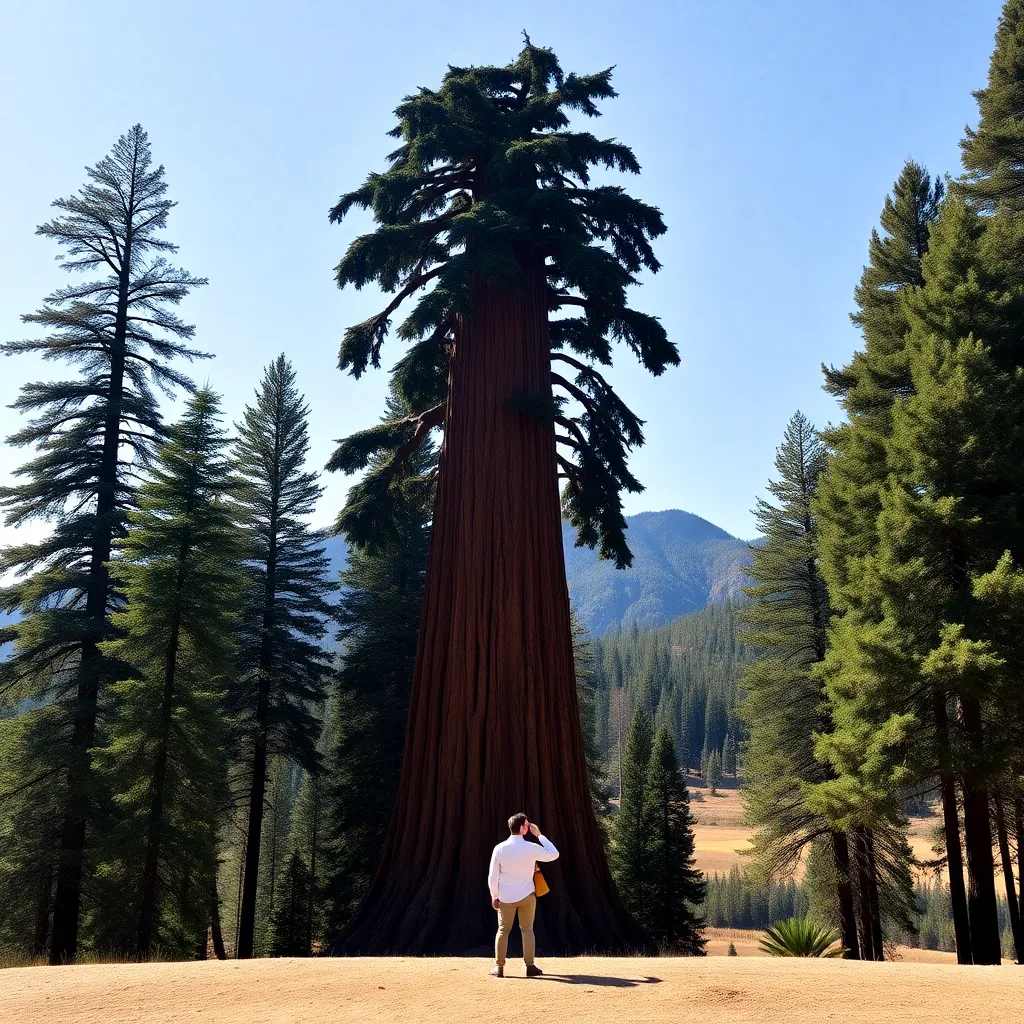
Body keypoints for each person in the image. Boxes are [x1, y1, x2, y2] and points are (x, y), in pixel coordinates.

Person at [487, 813, 559, 978]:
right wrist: (539, 835)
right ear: (522, 828)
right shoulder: (531, 848)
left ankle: (499, 967)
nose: (529, 826)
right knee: (527, 930)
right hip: (527, 895)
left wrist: (494, 895)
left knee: (503, 930)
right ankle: (530, 966)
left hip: (505, 896)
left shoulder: (499, 848)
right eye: (527, 824)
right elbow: (554, 854)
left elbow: (493, 876)